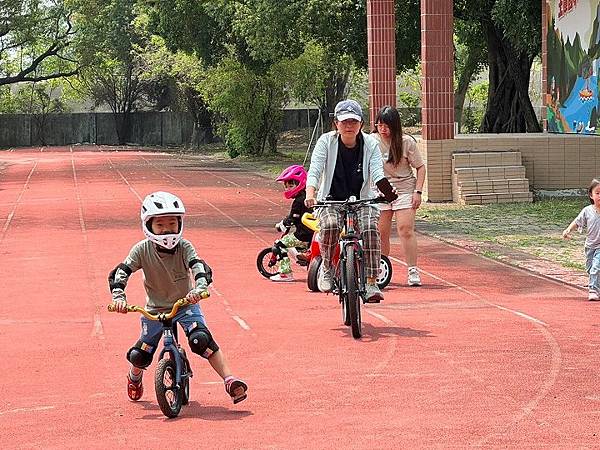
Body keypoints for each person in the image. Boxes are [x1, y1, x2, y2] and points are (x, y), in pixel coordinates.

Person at [108, 191, 248, 403]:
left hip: (185, 305)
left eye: (172, 224)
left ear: (180, 223)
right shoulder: (141, 250)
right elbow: (121, 272)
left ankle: (230, 380)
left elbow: (198, 267)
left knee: (201, 340)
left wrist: (199, 288)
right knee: (141, 354)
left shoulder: (184, 247)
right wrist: (119, 297)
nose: (167, 230)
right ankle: (134, 377)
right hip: (154, 310)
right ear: (149, 226)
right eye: (161, 225)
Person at [305, 99, 397, 302]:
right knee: (329, 226)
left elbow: (377, 172)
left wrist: (388, 192)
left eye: (353, 122)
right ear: (336, 123)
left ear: (361, 124)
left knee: (371, 230)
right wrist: (310, 194)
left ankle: (372, 281)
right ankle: (327, 269)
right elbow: (315, 170)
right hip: (330, 200)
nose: (349, 126)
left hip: (363, 200)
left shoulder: (370, 143)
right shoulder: (325, 142)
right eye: (344, 121)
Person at [372, 105, 426, 287]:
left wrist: (417, 192)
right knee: (381, 232)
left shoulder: (406, 142)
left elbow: (420, 167)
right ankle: (381, 267)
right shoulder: (371, 141)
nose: (383, 129)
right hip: (381, 190)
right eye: (379, 125)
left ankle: (412, 269)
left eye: (386, 125)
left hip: (404, 189)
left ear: (395, 125)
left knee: (405, 229)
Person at [270, 165, 314, 282]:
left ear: (299, 184)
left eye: (291, 185)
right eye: (286, 186)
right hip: (311, 234)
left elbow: (292, 219)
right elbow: (293, 216)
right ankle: (300, 255)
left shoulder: (298, 201)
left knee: (279, 245)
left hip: (303, 235)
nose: (288, 188)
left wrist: (282, 225)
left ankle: (285, 273)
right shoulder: (306, 197)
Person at [562, 179, 600, 301]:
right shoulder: (587, 210)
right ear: (591, 195)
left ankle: (593, 290)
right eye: (598, 193)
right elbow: (577, 222)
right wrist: (568, 230)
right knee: (590, 269)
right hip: (590, 246)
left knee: (596, 267)